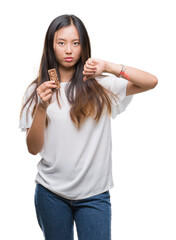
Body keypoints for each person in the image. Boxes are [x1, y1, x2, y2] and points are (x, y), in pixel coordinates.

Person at [19, 14, 158, 240]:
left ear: (84, 46)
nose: (69, 50)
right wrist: (42, 107)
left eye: (76, 43)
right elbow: (33, 148)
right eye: (61, 42)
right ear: (51, 46)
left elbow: (150, 81)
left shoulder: (101, 85)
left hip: (94, 196)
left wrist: (109, 66)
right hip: (50, 194)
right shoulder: (38, 91)